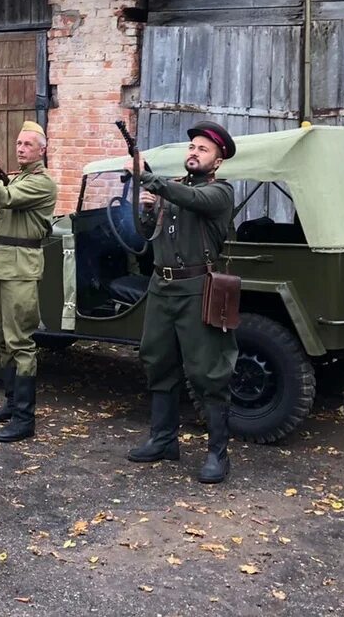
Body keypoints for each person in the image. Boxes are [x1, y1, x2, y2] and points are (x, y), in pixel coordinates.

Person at [127, 120, 237, 484]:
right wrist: (145, 208)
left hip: (198, 288)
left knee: (208, 371)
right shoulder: (174, 190)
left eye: (204, 150)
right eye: (192, 148)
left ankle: (218, 455)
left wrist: (153, 182)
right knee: (158, 361)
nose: (194, 153)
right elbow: (148, 236)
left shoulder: (219, 192)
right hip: (162, 286)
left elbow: (194, 199)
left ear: (218, 161)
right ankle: (163, 441)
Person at [0, 122, 57, 443]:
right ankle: (10, 403)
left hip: (21, 267)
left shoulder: (43, 184)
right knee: (1, 338)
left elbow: (3, 197)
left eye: (28, 144)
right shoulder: (17, 178)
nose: (20, 148)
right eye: (18, 143)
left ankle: (24, 417)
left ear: (42, 150)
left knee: (20, 341)